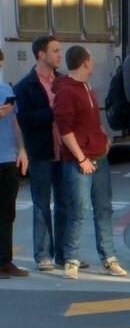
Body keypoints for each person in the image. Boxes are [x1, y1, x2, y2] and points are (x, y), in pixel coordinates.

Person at [52, 46, 125, 279]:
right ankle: (71, 259)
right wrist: (81, 158)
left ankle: (109, 258)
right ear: (85, 63)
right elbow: (65, 130)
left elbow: (92, 120)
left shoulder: (87, 87)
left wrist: (103, 138)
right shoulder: (66, 91)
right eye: (91, 59)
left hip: (99, 156)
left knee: (104, 208)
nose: (93, 63)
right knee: (79, 210)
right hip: (79, 161)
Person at [14, 35, 70, 271]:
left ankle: (65, 254)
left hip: (64, 152)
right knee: (41, 205)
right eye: (55, 51)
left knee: (65, 204)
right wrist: (52, 112)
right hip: (41, 153)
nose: (59, 55)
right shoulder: (25, 86)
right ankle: (43, 254)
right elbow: (23, 120)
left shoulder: (64, 81)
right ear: (41, 54)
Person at [0, 47, 30, 279]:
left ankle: (5, 261)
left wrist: (21, 149)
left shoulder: (6, 89)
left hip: (8, 157)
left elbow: (15, 123)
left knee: (7, 212)